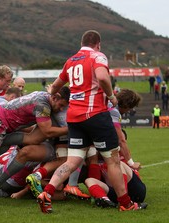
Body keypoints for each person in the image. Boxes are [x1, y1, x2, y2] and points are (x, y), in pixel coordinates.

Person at [38, 30, 144, 213]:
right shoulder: (98, 56)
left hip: (74, 118)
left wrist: (52, 90)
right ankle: (126, 203)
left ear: (82, 43)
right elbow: (102, 77)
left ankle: (46, 193)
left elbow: (55, 87)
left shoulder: (70, 61)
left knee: (72, 162)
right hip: (95, 115)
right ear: (98, 44)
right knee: (113, 161)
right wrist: (111, 96)